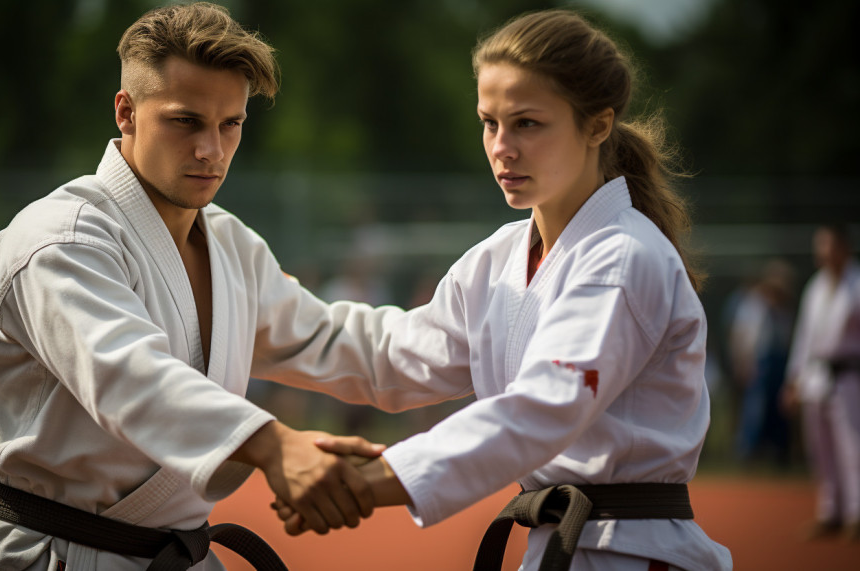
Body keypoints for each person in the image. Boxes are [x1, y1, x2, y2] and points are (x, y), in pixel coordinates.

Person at [0, 4, 400, 570]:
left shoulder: (231, 244)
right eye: (186, 121)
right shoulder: (62, 240)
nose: (213, 149)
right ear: (126, 112)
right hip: (46, 553)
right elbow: (128, 375)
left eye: (231, 124)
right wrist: (275, 445)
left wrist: (486, 331)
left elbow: (334, 341)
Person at [275, 10, 732, 570]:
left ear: (597, 125)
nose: (502, 147)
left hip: (632, 554)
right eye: (489, 122)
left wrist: (372, 481)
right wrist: (262, 319)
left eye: (528, 124)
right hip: (561, 549)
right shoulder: (498, 259)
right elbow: (392, 356)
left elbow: (542, 407)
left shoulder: (623, 256)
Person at [783, 224, 860, 542]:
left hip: (850, 376)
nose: (822, 252)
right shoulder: (815, 286)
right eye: (819, 246)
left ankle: (856, 514)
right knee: (821, 447)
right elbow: (804, 338)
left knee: (853, 447)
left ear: (843, 247)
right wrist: (793, 381)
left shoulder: (856, 283)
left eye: (827, 245)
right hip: (816, 376)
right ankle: (831, 512)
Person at [728, 259, 795, 466]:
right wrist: (741, 362)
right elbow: (740, 335)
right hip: (760, 362)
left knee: (778, 410)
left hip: (780, 362)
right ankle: (748, 452)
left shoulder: (785, 308)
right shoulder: (753, 304)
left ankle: (777, 453)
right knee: (755, 408)